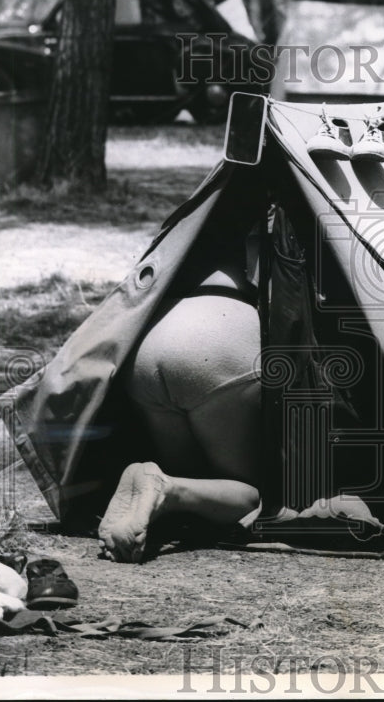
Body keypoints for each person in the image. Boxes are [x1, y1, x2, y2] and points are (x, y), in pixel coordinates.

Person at [98, 190, 271, 564]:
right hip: (222, 340)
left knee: (196, 478)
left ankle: (153, 477)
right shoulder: (284, 214)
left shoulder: (205, 213)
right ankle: (166, 488)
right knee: (251, 495)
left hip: (148, 343)